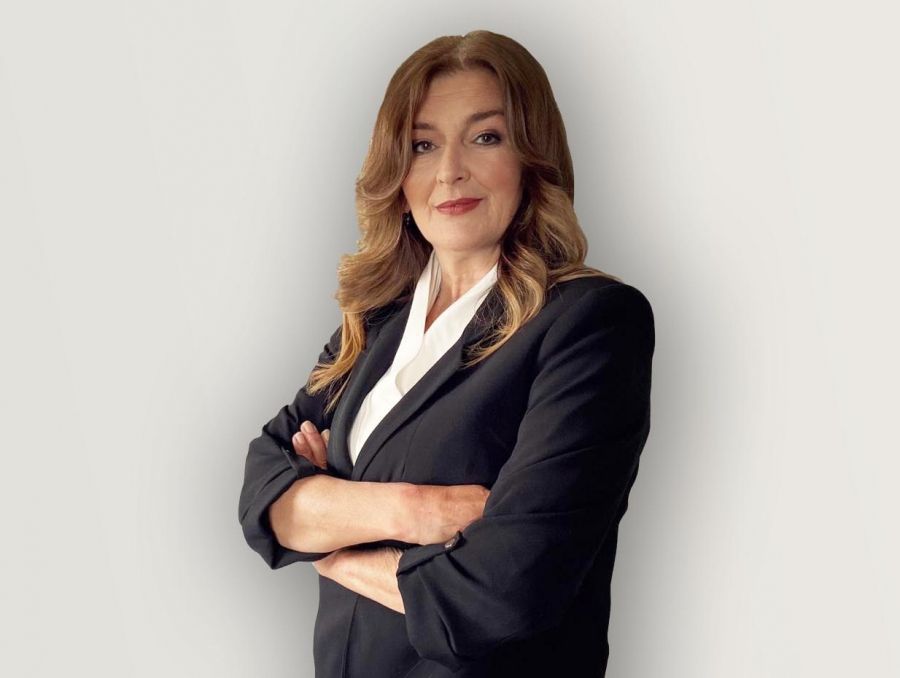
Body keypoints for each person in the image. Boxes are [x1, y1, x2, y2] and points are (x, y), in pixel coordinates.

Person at [238, 29, 655, 678]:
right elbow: (262, 494)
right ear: (397, 174)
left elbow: (503, 593)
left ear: (532, 156)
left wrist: (330, 537)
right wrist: (419, 512)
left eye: (485, 137)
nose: (450, 170)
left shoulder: (590, 325)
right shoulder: (375, 324)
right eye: (422, 145)